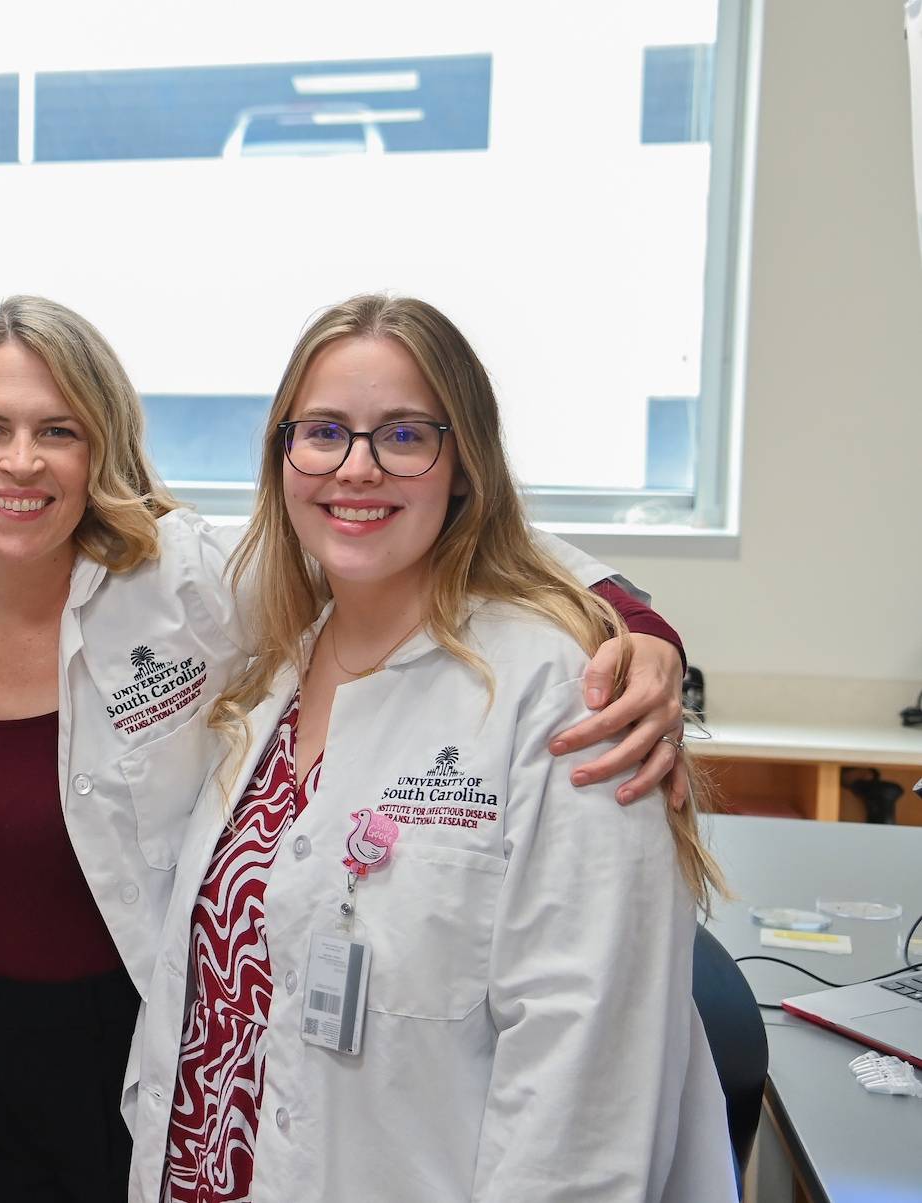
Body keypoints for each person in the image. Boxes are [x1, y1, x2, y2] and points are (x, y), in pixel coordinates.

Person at [0, 296, 690, 1201]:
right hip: (26, 1074)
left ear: (100, 448)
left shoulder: (183, 580)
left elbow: (395, 521)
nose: (21, 460)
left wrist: (639, 620)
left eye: (58, 429)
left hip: (129, 1059)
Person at [125, 293, 734, 1201]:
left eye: (405, 436)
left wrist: (647, 628)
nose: (357, 469)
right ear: (283, 456)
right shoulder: (273, 673)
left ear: (463, 465)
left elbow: (587, 1087)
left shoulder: (563, 690)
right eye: (324, 431)